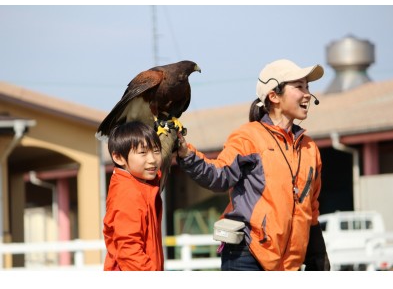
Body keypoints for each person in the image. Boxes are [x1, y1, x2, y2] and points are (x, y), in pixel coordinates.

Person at [176, 59, 330, 271]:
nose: (307, 94)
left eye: (308, 87)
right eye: (299, 87)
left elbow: (311, 208)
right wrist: (186, 153)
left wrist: (317, 255)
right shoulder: (248, 137)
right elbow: (219, 176)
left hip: (290, 265)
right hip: (246, 255)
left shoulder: (310, 148)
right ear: (273, 96)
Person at [103, 120, 164, 271]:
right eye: (142, 153)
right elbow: (129, 250)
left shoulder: (140, 184)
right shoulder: (127, 193)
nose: (152, 159)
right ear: (118, 158)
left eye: (156, 151)